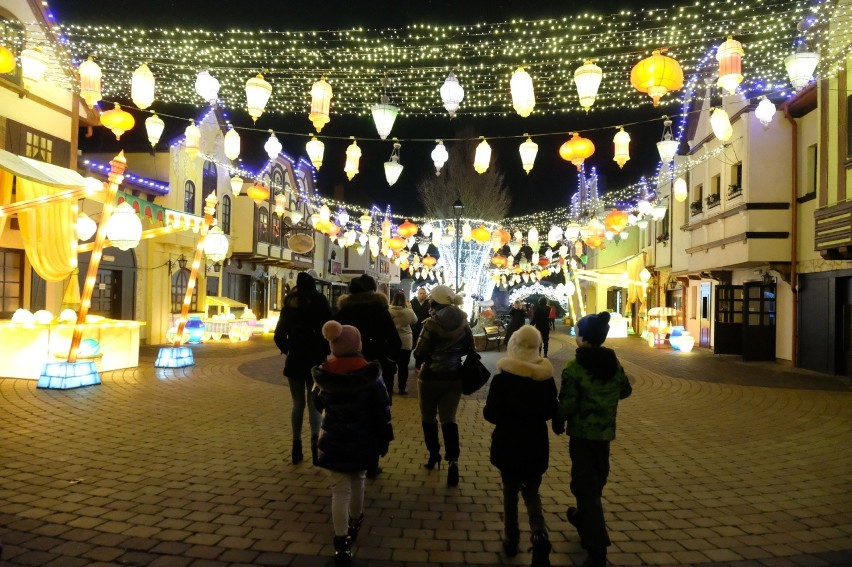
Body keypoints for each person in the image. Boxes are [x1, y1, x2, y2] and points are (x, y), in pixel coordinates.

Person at [551, 311, 632, 567]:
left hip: (582, 435)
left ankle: (597, 544)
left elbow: (568, 403)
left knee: (584, 485)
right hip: (605, 434)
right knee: (596, 478)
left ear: (583, 338)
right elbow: (625, 390)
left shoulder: (575, 368)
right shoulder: (613, 363)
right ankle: (583, 517)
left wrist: (558, 419)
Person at [311, 321, 393, 567]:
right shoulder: (369, 374)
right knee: (358, 480)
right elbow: (382, 409)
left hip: (334, 439)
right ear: (357, 344)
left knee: (339, 491)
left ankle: (341, 542)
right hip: (363, 439)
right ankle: (356, 520)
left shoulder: (326, 373)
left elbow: (317, 403)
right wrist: (384, 438)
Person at [484, 325, 557, 566]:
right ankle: (539, 532)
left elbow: (491, 414)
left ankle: (511, 538)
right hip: (535, 443)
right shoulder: (544, 379)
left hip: (508, 443)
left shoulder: (502, 380)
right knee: (532, 491)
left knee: (510, 492)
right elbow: (550, 410)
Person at [335, 274, 401, 477]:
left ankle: (350, 456)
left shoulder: (342, 312)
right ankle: (372, 461)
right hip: (377, 369)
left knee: (349, 414)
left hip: (347, 371)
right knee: (376, 415)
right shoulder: (380, 311)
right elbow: (395, 343)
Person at [413, 284, 474, 488]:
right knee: (449, 419)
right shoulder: (464, 322)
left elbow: (419, 352)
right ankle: (453, 461)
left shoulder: (430, 323)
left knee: (428, 417)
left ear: (435, 301)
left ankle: (433, 455)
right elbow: (469, 348)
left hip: (430, 377)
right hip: (454, 376)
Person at [274, 271, 332, 465]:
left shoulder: (289, 304)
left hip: (296, 359)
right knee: (314, 402)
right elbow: (329, 328)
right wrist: (324, 349)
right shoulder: (320, 301)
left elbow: (279, 335)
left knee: (297, 404)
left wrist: (288, 349)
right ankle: (316, 443)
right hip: (315, 359)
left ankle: (296, 444)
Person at [389, 290, 417, 395]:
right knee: (403, 366)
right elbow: (415, 320)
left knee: (390, 366)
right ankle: (402, 388)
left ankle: (390, 387)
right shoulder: (408, 311)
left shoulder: (388, 310)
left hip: (391, 342)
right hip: (405, 341)